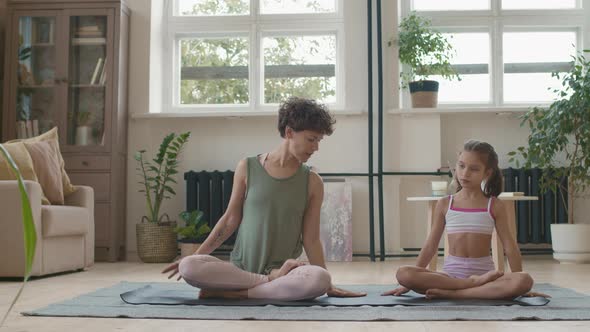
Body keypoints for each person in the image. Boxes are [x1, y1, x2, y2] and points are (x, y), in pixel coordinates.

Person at [162, 97, 366, 301]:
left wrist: (328, 285)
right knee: (189, 266)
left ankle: (235, 294)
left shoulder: (313, 182)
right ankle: (268, 282)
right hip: (239, 271)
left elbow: (311, 239)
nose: (315, 148)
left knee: (319, 279)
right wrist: (196, 255)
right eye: (311, 139)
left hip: (284, 270)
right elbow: (230, 219)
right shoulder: (247, 167)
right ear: (289, 133)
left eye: (319, 141)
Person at [382, 139, 547, 300]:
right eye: (461, 166)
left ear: (487, 173)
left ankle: (456, 293)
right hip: (450, 277)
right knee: (403, 273)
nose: (465, 173)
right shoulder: (445, 203)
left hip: (485, 277)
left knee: (524, 280)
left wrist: (519, 283)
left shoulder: (494, 205)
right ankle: (469, 285)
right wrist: (408, 283)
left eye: (474, 169)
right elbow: (430, 245)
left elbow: (510, 246)